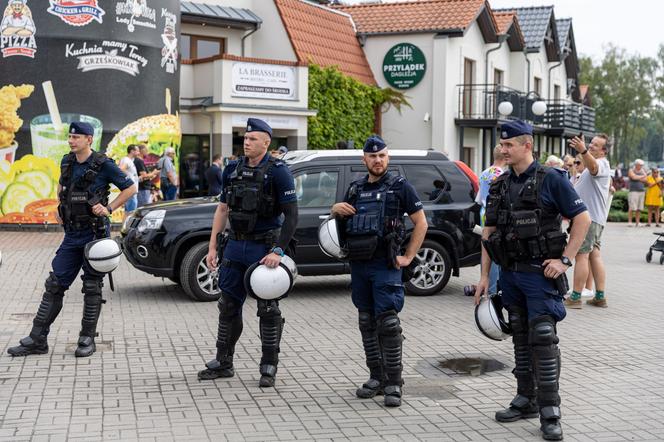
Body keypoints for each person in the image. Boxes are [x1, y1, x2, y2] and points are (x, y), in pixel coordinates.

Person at [474, 120, 590, 441]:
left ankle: (550, 412)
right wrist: (484, 276)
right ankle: (525, 398)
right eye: (502, 144)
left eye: (509, 145)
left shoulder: (550, 179)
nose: (503, 149)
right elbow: (489, 232)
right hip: (510, 274)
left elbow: (583, 218)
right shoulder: (499, 184)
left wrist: (565, 259)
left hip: (540, 275)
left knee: (542, 337)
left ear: (527, 145)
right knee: (520, 336)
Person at [7, 122, 136, 358]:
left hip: (94, 235)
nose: (71, 140)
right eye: (69, 136)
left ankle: (87, 338)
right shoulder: (66, 161)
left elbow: (130, 188)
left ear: (89, 139)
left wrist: (108, 208)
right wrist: (60, 206)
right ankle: (37, 339)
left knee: (91, 286)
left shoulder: (103, 164)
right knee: (55, 284)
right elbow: (62, 186)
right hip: (72, 235)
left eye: (76, 137)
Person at [197, 118, 298, 388]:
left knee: (267, 309)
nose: (247, 141)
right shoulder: (232, 169)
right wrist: (212, 246)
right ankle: (224, 362)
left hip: (264, 249)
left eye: (253, 138)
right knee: (228, 306)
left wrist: (278, 250)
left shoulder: (278, 172)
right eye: (245, 137)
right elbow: (222, 210)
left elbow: (291, 216)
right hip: (235, 247)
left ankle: (268, 366)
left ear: (266, 142)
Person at [330, 135, 428, 408]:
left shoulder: (400, 187)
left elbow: (421, 223)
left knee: (388, 323)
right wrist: (333, 210)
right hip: (359, 265)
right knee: (366, 321)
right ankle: (376, 377)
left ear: (388, 157)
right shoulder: (355, 189)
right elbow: (339, 227)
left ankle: (394, 383)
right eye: (372, 156)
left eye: (382, 155)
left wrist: (409, 256)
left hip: (385, 265)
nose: (377, 160)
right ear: (364, 159)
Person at [564, 134, 612, 309]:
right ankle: (599, 296)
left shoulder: (601, 164)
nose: (591, 146)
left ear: (604, 151)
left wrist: (583, 150)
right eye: (591, 143)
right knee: (594, 254)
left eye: (595, 145)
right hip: (596, 219)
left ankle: (575, 297)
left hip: (589, 220)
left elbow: (593, 167)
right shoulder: (600, 164)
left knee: (581, 255)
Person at [475, 145, 507, 295]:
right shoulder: (503, 174)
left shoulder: (483, 173)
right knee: (497, 250)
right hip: (497, 215)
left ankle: (486, 284)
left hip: (484, 214)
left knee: (486, 250)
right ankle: (495, 289)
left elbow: (479, 198)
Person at [119, 144, 140, 217]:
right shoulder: (126, 160)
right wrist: (129, 182)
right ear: (132, 151)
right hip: (130, 191)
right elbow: (121, 169)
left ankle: (125, 227)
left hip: (131, 191)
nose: (139, 153)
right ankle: (128, 228)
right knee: (131, 213)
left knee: (128, 212)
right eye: (137, 151)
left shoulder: (129, 160)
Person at [627, 159, 648, 227]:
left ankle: (637, 222)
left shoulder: (643, 170)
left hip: (641, 191)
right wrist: (642, 177)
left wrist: (637, 177)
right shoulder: (631, 170)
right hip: (633, 191)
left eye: (642, 165)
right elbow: (633, 177)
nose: (641, 166)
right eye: (640, 165)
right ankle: (630, 222)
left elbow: (646, 179)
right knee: (632, 207)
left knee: (639, 208)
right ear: (636, 165)